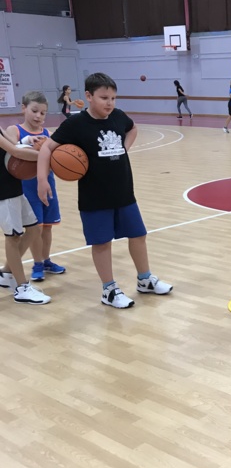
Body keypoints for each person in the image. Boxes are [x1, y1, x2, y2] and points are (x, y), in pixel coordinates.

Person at [36, 72, 173, 308]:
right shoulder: (76, 124)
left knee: (138, 235)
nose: (109, 103)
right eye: (104, 98)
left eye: (113, 98)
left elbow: (132, 128)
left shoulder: (118, 116)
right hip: (94, 197)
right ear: (89, 96)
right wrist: (42, 179)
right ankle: (109, 290)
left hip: (124, 192)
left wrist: (124, 148)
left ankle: (145, 279)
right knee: (101, 243)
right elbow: (47, 148)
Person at [4, 91, 66, 282]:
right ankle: (36, 263)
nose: (38, 116)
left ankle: (46, 261)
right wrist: (27, 143)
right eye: (34, 111)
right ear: (23, 108)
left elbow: (56, 158)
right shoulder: (14, 130)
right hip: (26, 188)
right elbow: (11, 151)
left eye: (43, 113)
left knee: (47, 227)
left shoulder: (47, 134)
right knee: (35, 228)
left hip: (47, 184)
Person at [0, 128, 51, 304]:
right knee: (13, 237)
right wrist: (47, 156)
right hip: (3, 192)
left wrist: (28, 140)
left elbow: (13, 144)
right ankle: (22, 288)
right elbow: (15, 152)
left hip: (13, 187)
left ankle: (6, 273)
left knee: (34, 229)